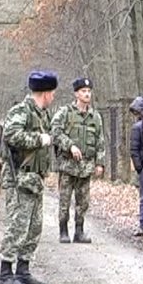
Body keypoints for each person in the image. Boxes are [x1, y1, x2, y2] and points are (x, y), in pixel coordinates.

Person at [0, 71, 58, 284]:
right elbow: (11, 136)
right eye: (52, 93)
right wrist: (38, 139)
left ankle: (23, 270)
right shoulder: (21, 111)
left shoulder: (43, 114)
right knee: (18, 225)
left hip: (35, 179)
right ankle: (5, 274)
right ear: (46, 93)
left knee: (34, 227)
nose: (53, 97)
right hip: (19, 178)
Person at [51, 78, 106, 244]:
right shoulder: (65, 113)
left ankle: (79, 231)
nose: (87, 94)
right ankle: (63, 230)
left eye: (89, 91)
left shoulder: (95, 117)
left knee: (83, 202)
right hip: (68, 165)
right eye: (83, 91)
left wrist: (99, 163)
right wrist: (70, 146)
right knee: (65, 200)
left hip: (86, 165)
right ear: (76, 94)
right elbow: (55, 132)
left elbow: (100, 141)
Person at [129, 96, 143, 237]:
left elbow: (134, 150)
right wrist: (139, 167)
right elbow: (134, 149)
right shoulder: (138, 128)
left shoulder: (141, 126)